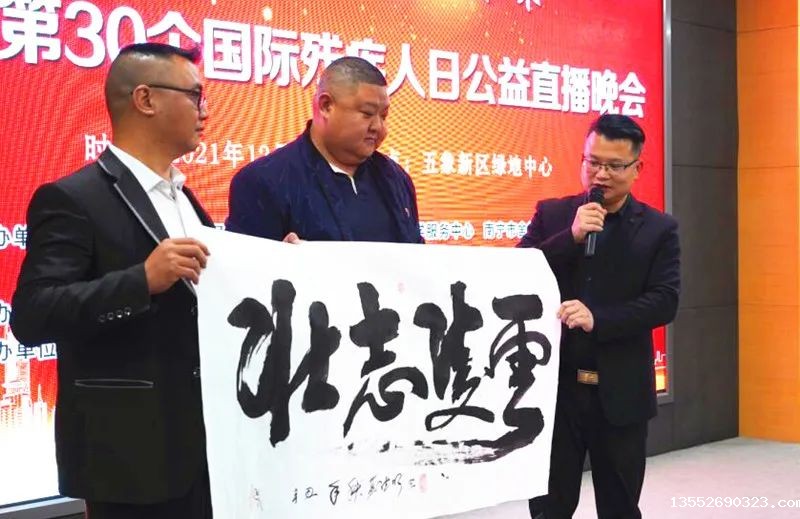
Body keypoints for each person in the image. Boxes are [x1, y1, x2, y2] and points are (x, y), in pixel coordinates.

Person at [11, 43, 214, 519]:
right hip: (129, 459)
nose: (204, 111)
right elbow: (33, 315)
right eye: (194, 96)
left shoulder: (184, 197)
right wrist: (140, 280)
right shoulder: (72, 198)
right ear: (145, 99)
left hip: (203, 449)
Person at [518, 114, 680, 519]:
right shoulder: (553, 215)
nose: (601, 174)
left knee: (620, 508)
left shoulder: (658, 229)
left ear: (637, 168)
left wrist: (600, 319)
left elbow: (664, 301)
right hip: (555, 393)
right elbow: (517, 273)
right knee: (549, 509)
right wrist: (570, 238)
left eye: (614, 166)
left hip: (621, 394)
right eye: (593, 162)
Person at [226, 56, 423, 244]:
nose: (379, 127)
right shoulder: (264, 181)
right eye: (367, 113)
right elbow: (246, 263)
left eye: (384, 116)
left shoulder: (396, 179)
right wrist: (281, 258)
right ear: (326, 106)